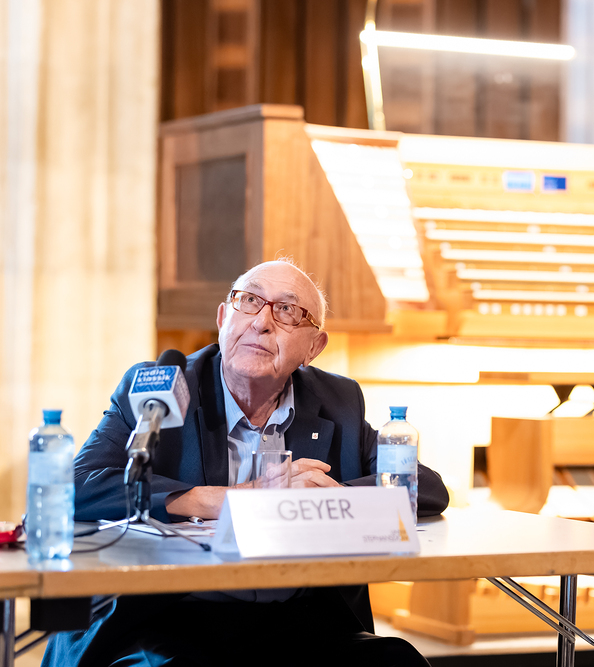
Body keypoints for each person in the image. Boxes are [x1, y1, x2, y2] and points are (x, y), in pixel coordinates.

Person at [43, 259, 449, 666]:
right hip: (167, 615)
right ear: (223, 318)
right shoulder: (160, 386)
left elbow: (426, 487)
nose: (261, 322)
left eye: (287, 310)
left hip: (300, 622)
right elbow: (74, 484)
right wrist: (229, 499)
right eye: (250, 301)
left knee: (398, 661)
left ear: (314, 347)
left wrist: (324, 501)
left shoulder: (336, 400)